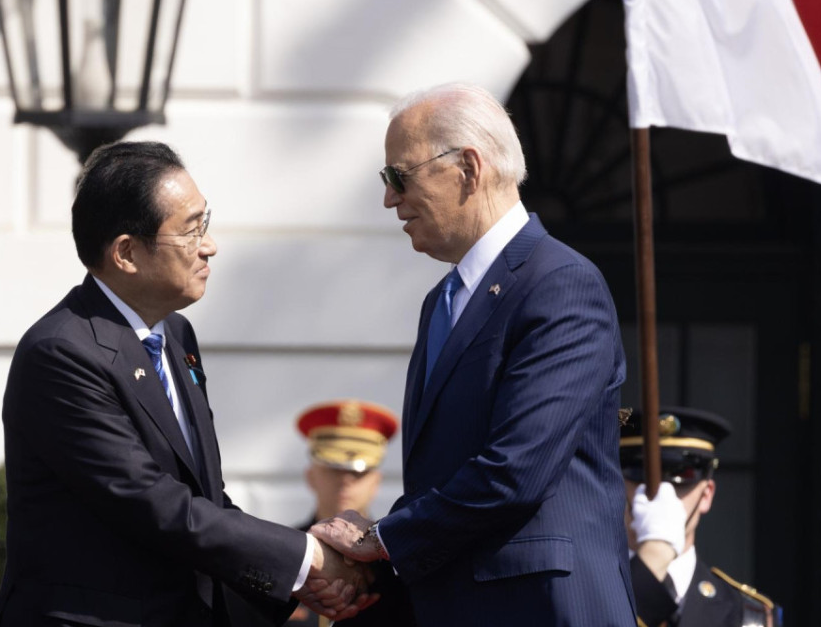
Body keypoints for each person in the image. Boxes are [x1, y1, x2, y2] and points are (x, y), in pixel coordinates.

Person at [0, 141, 370, 627]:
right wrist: (307, 559)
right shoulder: (62, 353)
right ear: (127, 253)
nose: (208, 246)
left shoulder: (174, 333)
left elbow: (205, 499)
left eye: (204, 224)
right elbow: (154, 504)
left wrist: (298, 583)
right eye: (190, 232)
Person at [309, 82, 638, 626]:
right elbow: (443, 481)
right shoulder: (441, 301)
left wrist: (381, 539)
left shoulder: (561, 283)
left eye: (399, 176)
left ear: (468, 166)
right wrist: (372, 562)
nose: (390, 198)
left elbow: (514, 471)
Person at [621, 407, 780, 627]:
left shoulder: (746, 615)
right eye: (641, 473)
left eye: (682, 474)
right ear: (618, 488)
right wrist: (653, 559)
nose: (660, 491)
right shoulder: (578, 592)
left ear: (706, 495)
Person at [286, 400, 399, 627]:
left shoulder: (397, 566)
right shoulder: (284, 553)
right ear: (310, 476)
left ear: (376, 483)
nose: (345, 480)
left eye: (358, 472)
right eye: (334, 468)